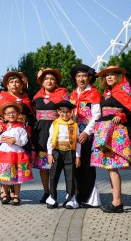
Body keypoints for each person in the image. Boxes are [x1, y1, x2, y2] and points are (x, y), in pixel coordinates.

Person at [91, 65, 131, 213]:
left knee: (112, 167)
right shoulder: (105, 94)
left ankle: (117, 202)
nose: (109, 77)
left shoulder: (124, 93)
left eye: (112, 75)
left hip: (117, 133)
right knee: (110, 167)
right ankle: (116, 200)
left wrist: (121, 116)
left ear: (118, 77)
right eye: (107, 75)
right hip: (104, 132)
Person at [0, 71, 35, 201]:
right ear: (7, 85)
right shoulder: (2, 97)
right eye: (11, 82)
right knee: (5, 162)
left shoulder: (25, 99)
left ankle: (15, 193)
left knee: (16, 162)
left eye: (17, 82)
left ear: (22, 85)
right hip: (6, 131)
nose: (14, 84)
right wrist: (1, 125)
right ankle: (3, 191)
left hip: (21, 133)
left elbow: (31, 116)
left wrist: (27, 127)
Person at [32, 68, 69, 203]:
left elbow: (68, 112)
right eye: (46, 78)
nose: (49, 81)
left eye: (52, 79)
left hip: (57, 131)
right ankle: (46, 192)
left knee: (57, 163)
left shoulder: (62, 95)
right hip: (40, 132)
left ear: (56, 82)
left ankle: (60, 192)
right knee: (43, 165)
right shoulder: (36, 97)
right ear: (42, 82)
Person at [0, 102, 33, 205]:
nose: (11, 115)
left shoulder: (21, 128)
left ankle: (16, 195)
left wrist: (15, 140)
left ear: (17, 114)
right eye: (8, 113)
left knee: (17, 177)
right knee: (4, 176)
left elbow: (24, 141)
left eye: (13, 112)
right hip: (3, 155)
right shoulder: (3, 128)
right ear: (5, 116)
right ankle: (4, 194)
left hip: (17, 155)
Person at [69, 64, 101, 207]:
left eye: (84, 76)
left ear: (89, 78)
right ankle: (75, 196)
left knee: (87, 165)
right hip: (73, 134)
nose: (81, 79)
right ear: (75, 78)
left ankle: (89, 199)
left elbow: (97, 115)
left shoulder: (94, 93)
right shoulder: (73, 94)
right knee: (74, 165)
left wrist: (86, 132)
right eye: (78, 76)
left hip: (87, 134)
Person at [46, 100, 81, 209]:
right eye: (62, 112)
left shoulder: (74, 125)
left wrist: (78, 156)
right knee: (53, 175)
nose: (65, 114)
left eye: (67, 112)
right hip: (57, 151)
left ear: (71, 113)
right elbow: (50, 139)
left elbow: (77, 142)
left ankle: (70, 199)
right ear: (58, 112)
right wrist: (50, 154)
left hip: (70, 152)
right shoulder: (55, 123)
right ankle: (52, 198)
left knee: (70, 176)